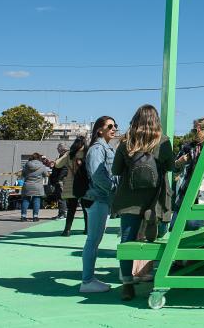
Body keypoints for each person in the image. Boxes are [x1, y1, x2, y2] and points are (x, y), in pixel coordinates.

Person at [112, 104, 174, 301]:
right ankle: (157, 276)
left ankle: (128, 284)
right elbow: (170, 167)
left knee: (127, 241)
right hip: (155, 200)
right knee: (158, 238)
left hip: (129, 198)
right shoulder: (163, 142)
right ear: (156, 121)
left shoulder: (126, 142)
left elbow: (115, 170)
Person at [80, 115, 118, 294]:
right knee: (93, 240)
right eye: (110, 125)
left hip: (101, 199)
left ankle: (89, 279)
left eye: (115, 125)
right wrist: (114, 188)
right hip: (98, 198)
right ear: (99, 130)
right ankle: (87, 281)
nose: (114, 128)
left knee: (94, 240)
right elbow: (97, 175)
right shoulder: (97, 149)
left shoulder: (106, 148)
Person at [55, 137, 88, 236]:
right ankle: (87, 229)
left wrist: (65, 154)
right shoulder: (87, 153)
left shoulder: (69, 154)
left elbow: (57, 164)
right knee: (86, 208)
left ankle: (67, 230)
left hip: (71, 184)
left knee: (71, 209)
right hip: (84, 183)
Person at [20, 153, 51, 222]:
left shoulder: (26, 165)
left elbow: (23, 174)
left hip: (27, 185)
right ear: (39, 158)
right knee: (36, 200)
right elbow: (46, 175)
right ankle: (35, 217)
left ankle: (23, 216)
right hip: (38, 186)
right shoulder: (42, 166)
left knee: (26, 200)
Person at [51, 143, 69, 220]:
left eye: (58, 148)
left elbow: (65, 169)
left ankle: (63, 214)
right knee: (60, 197)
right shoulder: (63, 156)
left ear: (62, 149)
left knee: (61, 197)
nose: (57, 149)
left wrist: (59, 179)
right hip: (61, 179)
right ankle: (61, 213)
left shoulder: (65, 156)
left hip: (62, 180)